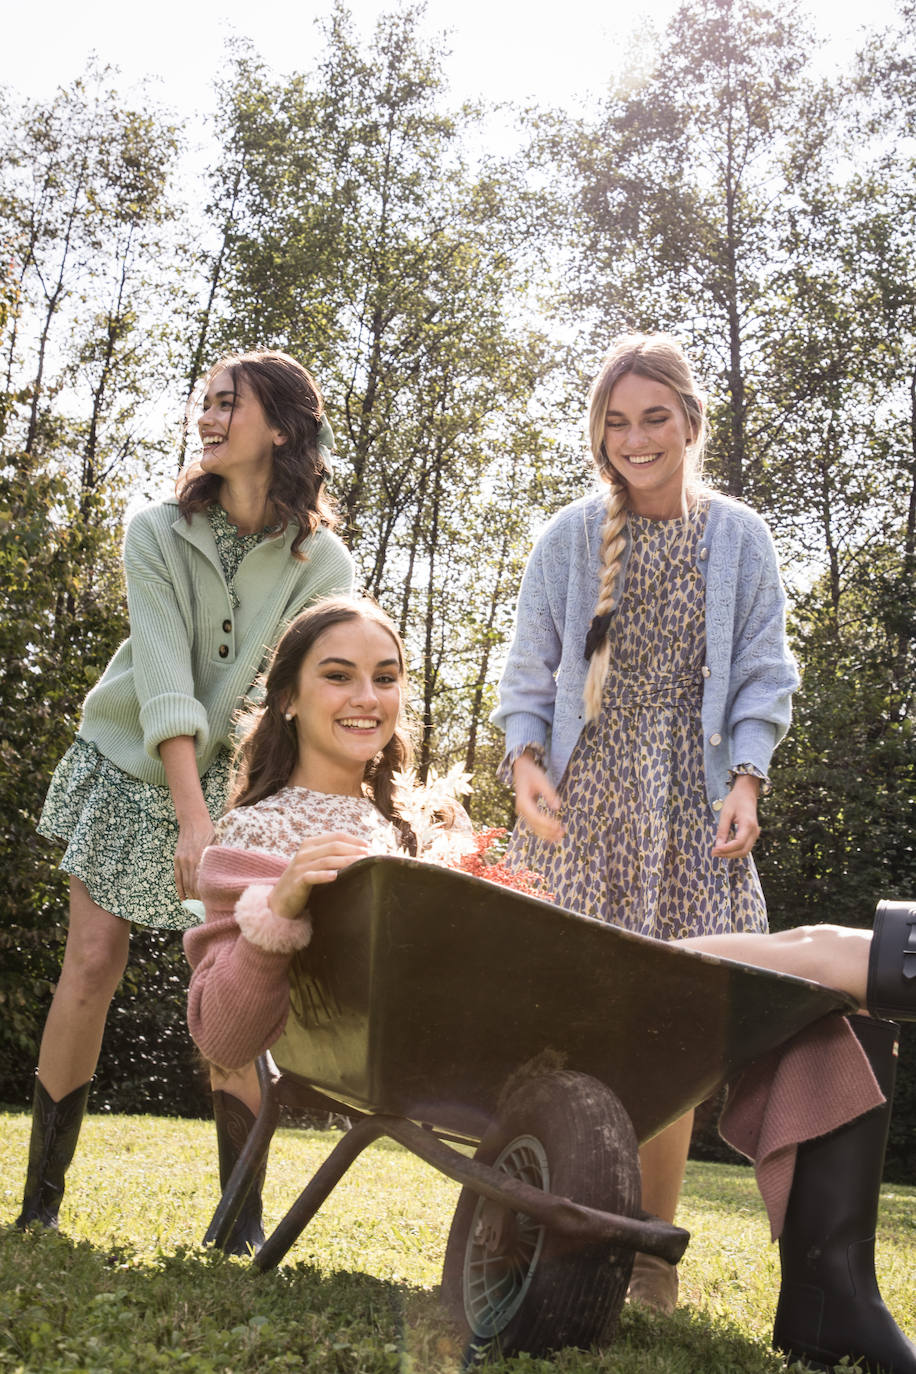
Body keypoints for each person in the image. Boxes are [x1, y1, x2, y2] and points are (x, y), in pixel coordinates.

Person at [183, 596, 915, 1373]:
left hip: (529, 1010)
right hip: (471, 1039)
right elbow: (224, 1035)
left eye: (385, 677)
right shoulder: (254, 835)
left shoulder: (404, 825)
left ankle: (833, 1299)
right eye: (338, 676)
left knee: (814, 964)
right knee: (807, 961)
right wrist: (280, 905)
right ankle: (831, 1301)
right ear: (288, 698)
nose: (367, 697)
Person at [17, 349, 355, 1255]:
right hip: (133, 761)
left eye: (228, 404)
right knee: (92, 961)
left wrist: (249, 814)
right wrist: (188, 821)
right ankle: (39, 1207)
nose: (207, 418)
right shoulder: (156, 531)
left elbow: (296, 695)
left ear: (279, 429)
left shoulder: (324, 563)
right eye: (204, 402)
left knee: (229, 984)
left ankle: (238, 1225)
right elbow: (165, 679)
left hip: (239, 784)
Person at [491, 331, 798, 1312]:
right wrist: (525, 763)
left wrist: (745, 780)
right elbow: (530, 668)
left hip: (691, 807)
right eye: (616, 423)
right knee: (571, 1021)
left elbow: (763, 672)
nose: (636, 439)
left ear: (691, 422)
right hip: (588, 806)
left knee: (677, 1029)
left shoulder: (738, 536)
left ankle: (650, 1258)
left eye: (654, 418)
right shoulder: (569, 537)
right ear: (599, 435)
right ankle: (540, 1228)